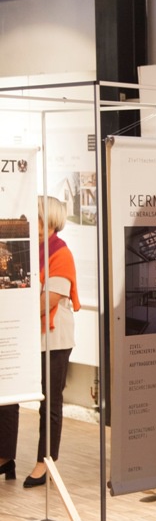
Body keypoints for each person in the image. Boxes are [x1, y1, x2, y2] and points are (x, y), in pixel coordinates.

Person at [0, 196, 80, 488]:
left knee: (50, 401)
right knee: (8, 394)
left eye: (35, 216)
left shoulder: (61, 253)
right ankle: (4, 456)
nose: (28, 219)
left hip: (52, 338)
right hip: (22, 334)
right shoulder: (25, 249)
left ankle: (45, 462)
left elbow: (50, 300)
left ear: (49, 220)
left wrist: (16, 318)